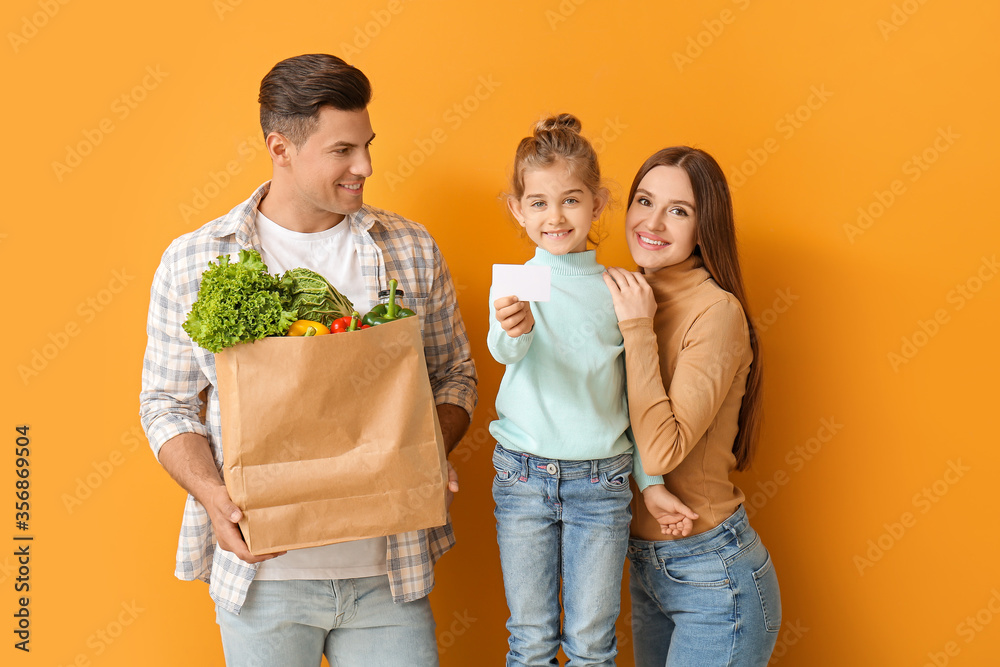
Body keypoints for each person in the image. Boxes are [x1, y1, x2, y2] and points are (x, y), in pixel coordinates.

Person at [139, 53, 478, 666]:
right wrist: (213, 495)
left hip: (389, 573)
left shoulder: (409, 247)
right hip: (263, 580)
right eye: (342, 150)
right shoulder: (193, 260)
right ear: (281, 146)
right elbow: (166, 402)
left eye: (368, 145)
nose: (365, 166)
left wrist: (430, 446)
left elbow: (454, 374)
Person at [488, 115, 696, 667]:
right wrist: (516, 331)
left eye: (571, 200)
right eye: (537, 203)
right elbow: (503, 354)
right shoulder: (514, 283)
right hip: (522, 476)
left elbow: (636, 396)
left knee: (591, 644)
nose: (554, 217)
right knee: (530, 640)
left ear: (599, 204)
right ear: (517, 209)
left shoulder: (622, 289)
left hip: (601, 482)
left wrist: (649, 482)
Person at [602, 146, 782, 666]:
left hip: (712, 573)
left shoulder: (715, 312)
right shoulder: (628, 293)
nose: (652, 222)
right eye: (644, 200)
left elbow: (660, 450)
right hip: (646, 564)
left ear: (705, 229)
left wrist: (636, 327)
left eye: (678, 210)